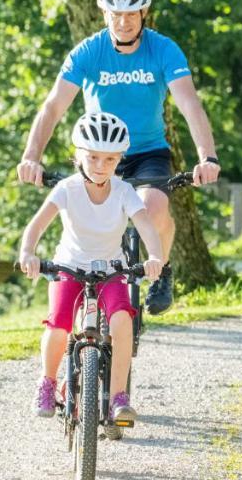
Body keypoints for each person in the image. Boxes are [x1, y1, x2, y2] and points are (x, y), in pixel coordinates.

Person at [17, 0, 220, 314]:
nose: (123, 22)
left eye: (131, 13)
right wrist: (31, 156)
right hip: (97, 154)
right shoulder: (88, 52)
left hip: (147, 153)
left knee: (153, 207)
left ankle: (162, 270)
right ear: (104, 13)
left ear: (144, 13)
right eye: (116, 14)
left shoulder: (164, 50)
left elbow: (189, 103)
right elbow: (53, 106)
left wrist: (207, 157)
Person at [18, 112, 165, 423]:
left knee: (123, 321)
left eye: (110, 160)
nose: (101, 166)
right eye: (94, 157)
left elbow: (146, 226)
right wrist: (28, 253)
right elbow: (35, 226)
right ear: (79, 155)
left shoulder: (124, 191)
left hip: (112, 270)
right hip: (69, 267)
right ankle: (46, 383)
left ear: (119, 159)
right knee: (58, 323)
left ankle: (118, 397)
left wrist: (155, 257)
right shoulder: (67, 189)